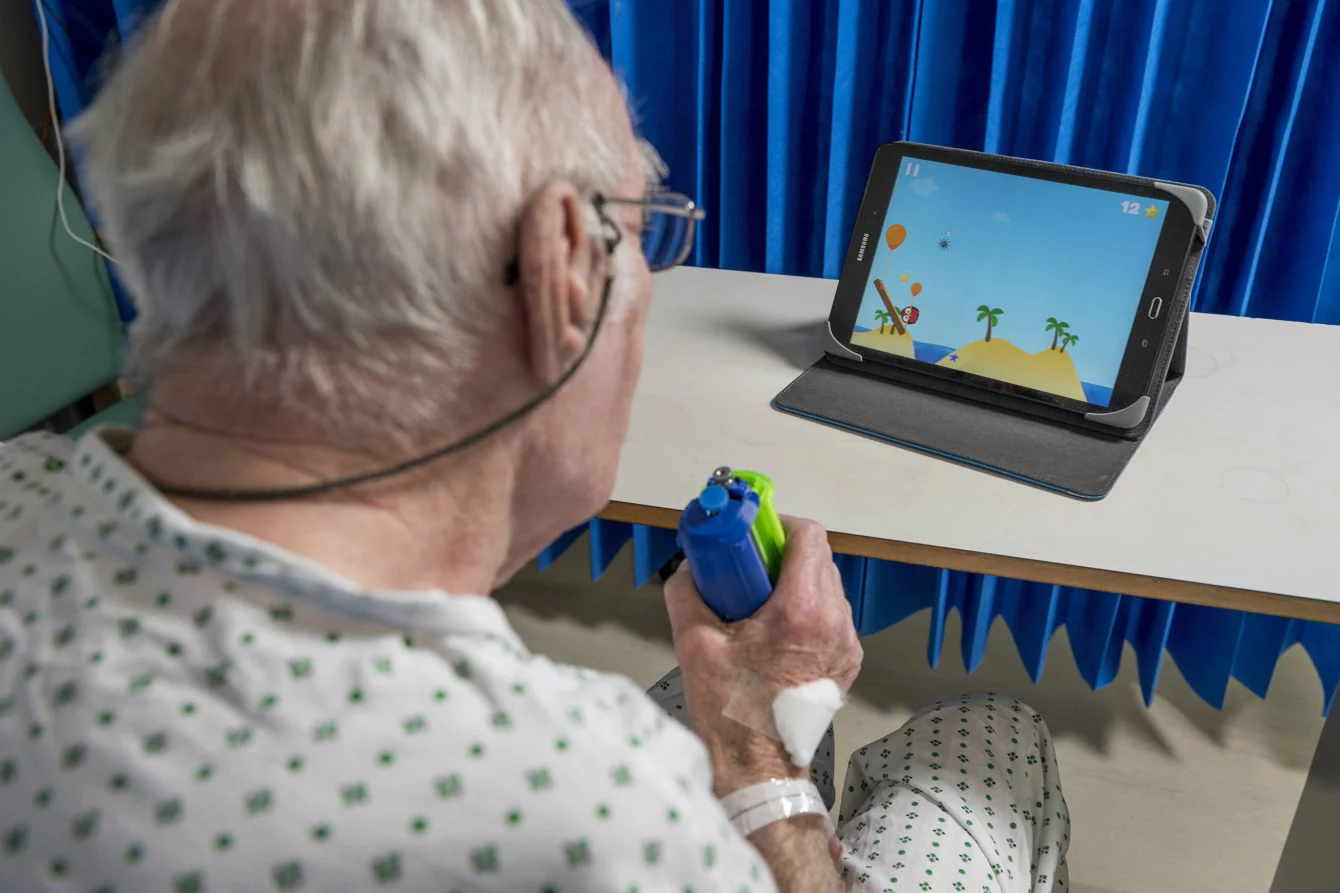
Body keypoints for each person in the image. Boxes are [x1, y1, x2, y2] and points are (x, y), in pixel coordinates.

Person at [0, 1, 1069, 890]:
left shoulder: (17, 486)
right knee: (983, 739)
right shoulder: (589, 810)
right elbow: (637, 808)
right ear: (563, 261)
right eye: (650, 229)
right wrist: (757, 752)